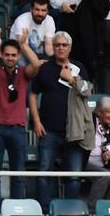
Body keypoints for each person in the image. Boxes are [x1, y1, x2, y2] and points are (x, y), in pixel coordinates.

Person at [29, 31, 89, 205]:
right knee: (44, 173)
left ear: (70, 48)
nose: (60, 48)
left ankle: (70, 211)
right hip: (49, 130)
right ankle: (44, 210)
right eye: (57, 45)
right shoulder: (45, 68)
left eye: (64, 45)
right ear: (53, 47)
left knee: (74, 177)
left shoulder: (78, 67)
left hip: (74, 132)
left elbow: (87, 92)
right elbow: (32, 94)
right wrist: (37, 121)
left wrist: (71, 79)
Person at [0, 35, 41, 207]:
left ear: (18, 56)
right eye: (7, 55)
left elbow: (36, 64)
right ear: (2, 55)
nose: (10, 58)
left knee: (18, 172)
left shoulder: (23, 73)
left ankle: (16, 209)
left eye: (14, 55)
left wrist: (24, 45)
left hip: (17, 128)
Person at [84, 95, 110, 206]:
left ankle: (108, 207)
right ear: (99, 112)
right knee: (104, 175)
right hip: (86, 163)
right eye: (109, 112)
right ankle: (93, 208)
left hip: (105, 165)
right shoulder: (88, 123)